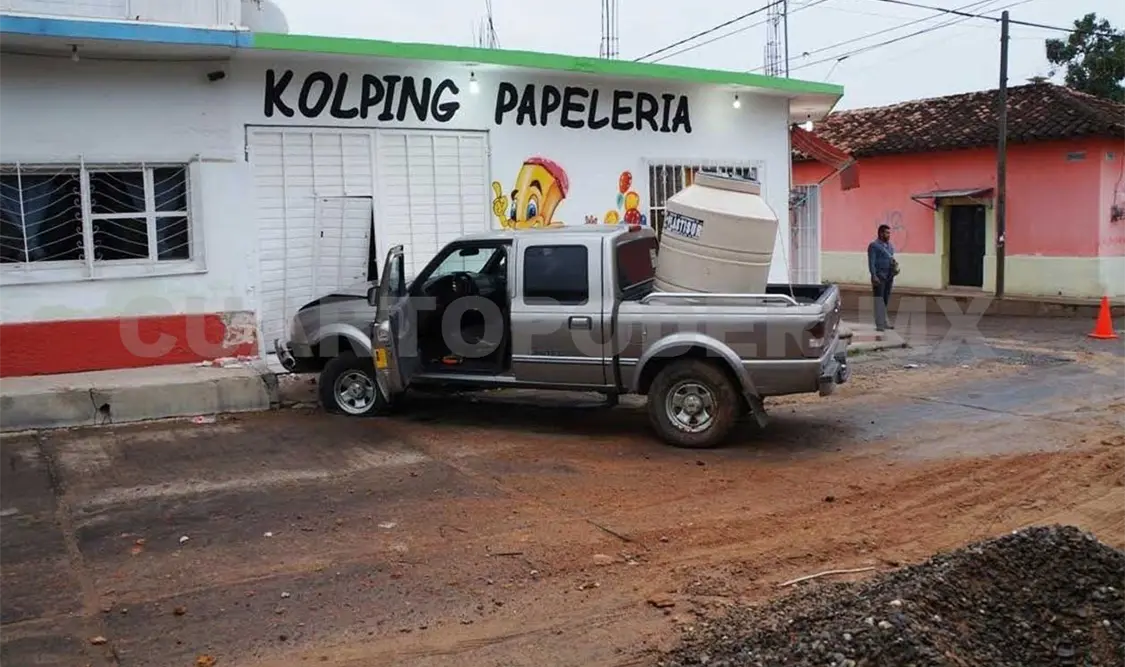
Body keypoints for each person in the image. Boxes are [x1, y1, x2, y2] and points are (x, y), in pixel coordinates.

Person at [867, 224, 899, 332]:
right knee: (879, 299)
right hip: (879, 276)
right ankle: (879, 324)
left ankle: (884, 322)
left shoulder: (890, 246)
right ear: (881, 233)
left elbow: (890, 259)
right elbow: (871, 262)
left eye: (889, 233)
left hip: (889, 276)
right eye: (887, 233)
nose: (889, 235)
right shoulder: (874, 246)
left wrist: (894, 268)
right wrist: (873, 275)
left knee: (885, 299)